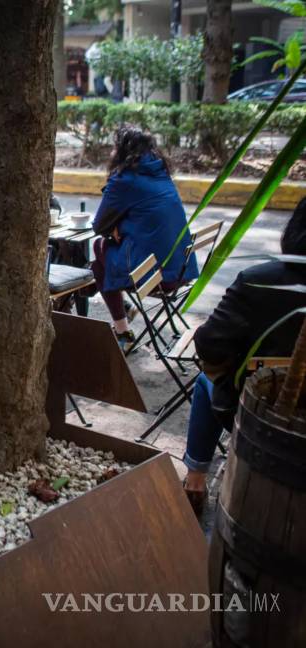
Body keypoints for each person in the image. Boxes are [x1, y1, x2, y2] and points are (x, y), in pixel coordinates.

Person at [181, 198, 306, 515]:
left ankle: (195, 478)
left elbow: (209, 343)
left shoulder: (258, 279)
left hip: (254, 413)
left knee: (204, 382)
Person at [90, 126, 198, 351]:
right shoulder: (161, 172)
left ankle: (123, 332)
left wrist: (115, 229)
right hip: (182, 269)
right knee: (108, 256)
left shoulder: (125, 180)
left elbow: (99, 225)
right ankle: (125, 309)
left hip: (158, 277)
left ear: (121, 151)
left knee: (99, 253)